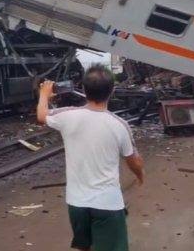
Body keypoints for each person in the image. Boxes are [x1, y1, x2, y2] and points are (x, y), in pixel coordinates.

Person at [36, 64, 144, 251]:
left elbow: (41, 116)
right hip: (107, 205)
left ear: (84, 90)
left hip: (76, 204)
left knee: (84, 247)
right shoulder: (119, 125)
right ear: (112, 91)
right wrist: (140, 175)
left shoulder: (67, 116)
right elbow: (133, 160)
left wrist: (44, 94)